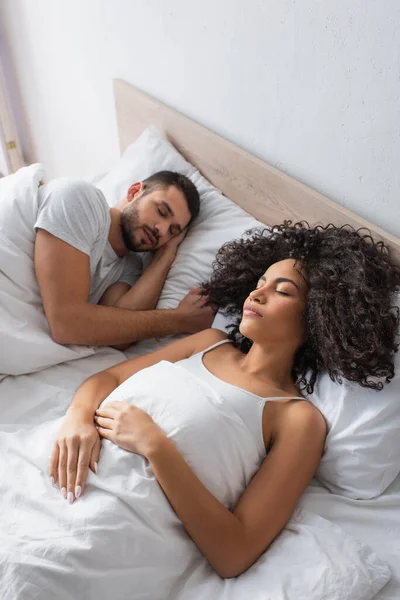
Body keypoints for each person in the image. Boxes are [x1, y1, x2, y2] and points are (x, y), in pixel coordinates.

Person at [41, 222, 399, 581]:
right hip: (51, 466)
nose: (256, 295)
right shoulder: (207, 342)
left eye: (282, 292)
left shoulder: (298, 420)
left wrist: (155, 446)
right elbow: (108, 378)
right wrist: (77, 419)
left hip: (107, 522)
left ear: (317, 318)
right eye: (259, 284)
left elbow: (234, 552)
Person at [32, 170, 214, 348]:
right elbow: (66, 324)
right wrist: (180, 320)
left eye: (172, 231)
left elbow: (119, 338)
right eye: (161, 211)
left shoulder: (130, 269)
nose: (163, 230)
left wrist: (165, 256)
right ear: (134, 192)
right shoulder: (81, 200)